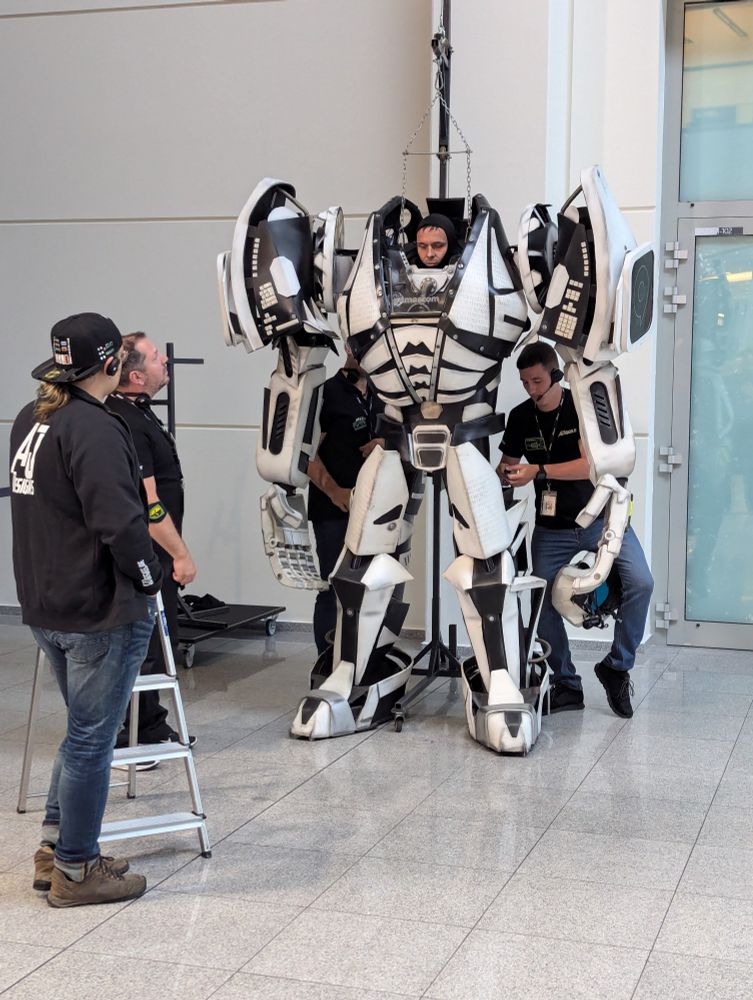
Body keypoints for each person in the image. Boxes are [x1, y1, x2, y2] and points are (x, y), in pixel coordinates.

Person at [9, 312, 162, 906]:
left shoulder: (33, 417)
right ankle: (76, 871)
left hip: (47, 602)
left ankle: (57, 849)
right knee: (93, 742)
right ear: (112, 364)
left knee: (79, 735)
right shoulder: (93, 427)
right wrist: (148, 580)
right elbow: (119, 521)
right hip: (97, 609)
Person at [497, 341, 654, 718]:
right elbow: (506, 465)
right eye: (524, 382)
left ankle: (616, 667)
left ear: (555, 375)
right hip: (551, 529)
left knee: (641, 582)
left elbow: (589, 465)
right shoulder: (521, 417)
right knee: (540, 600)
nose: (531, 389)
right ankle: (567, 683)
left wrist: (539, 471)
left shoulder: (582, 408)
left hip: (599, 520)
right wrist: (508, 477)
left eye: (537, 380)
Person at [107, 333, 197, 766]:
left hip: (158, 549)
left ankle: (151, 722)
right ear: (138, 375)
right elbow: (149, 502)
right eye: (158, 357)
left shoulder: (137, 413)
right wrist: (180, 554)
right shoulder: (124, 421)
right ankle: (134, 733)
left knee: (161, 639)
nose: (166, 361)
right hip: (147, 551)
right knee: (144, 640)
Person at [307, 348, 384, 653]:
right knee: (333, 587)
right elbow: (307, 455)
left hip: (375, 510)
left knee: (371, 588)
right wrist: (335, 491)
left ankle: (363, 660)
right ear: (349, 349)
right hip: (334, 508)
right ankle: (327, 662)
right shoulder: (327, 394)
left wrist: (385, 443)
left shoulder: (383, 394)